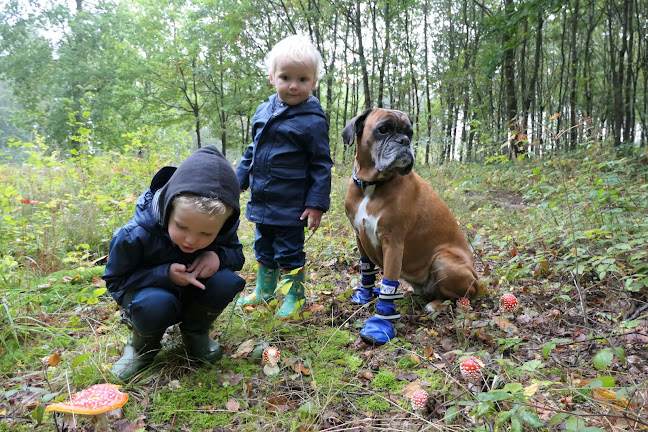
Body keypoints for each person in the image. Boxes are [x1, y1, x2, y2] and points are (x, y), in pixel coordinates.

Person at [103, 145, 246, 381]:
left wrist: (217, 256)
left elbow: (237, 256)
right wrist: (164, 274)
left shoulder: (220, 225)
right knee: (156, 303)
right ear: (168, 207)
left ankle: (195, 332)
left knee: (227, 280)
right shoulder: (134, 235)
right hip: (150, 296)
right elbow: (116, 281)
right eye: (181, 227)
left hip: (193, 293)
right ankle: (141, 347)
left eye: (206, 234)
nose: (192, 240)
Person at [235, 35, 332, 318]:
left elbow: (320, 165)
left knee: (289, 251)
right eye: (286, 77)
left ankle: (294, 295)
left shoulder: (313, 120)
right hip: (263, 197)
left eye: (302, 79)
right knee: (263, 246)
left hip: (292, 203)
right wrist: (238, 180)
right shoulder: (263, 110)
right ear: (272, 77)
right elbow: (253, 149)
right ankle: (265, 292)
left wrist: (316, 204)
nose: (293, 85)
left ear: (313, 82)